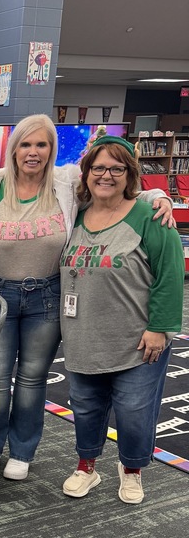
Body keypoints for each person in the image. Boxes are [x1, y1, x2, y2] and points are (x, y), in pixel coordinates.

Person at [0, 114, 173, 481]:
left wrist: (159, 197)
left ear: (52, 150)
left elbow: (115, 189)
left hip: (48, 297)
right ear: (14, 150)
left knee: (33, 379)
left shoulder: (66, 183)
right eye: (26, 145)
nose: (33, 152)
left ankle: (22, 451)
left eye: (42, 145)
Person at [59, 136, 184, 504]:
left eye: (117, 168)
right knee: (85, 406)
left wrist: (160, 328)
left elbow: (170, 275)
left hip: (138, 339)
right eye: (98, 168)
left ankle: (131, 470)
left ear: (130, 174)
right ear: (87, 173)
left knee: (133, 411)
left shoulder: (151, 217)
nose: (106, 175)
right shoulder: (76, 215)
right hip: (83, 335)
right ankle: (87, 466)